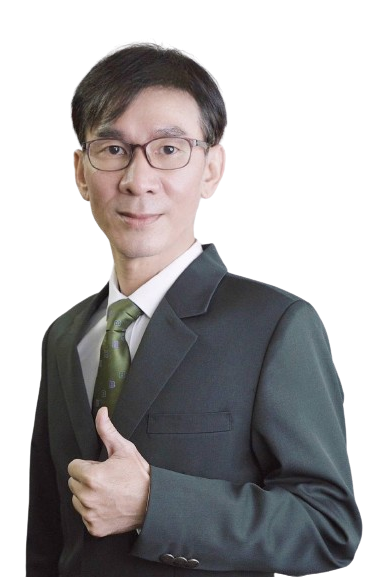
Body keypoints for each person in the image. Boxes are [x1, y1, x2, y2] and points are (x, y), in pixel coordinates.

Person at [26, 40, 362, 576]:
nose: (137, 180)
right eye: (112, 149)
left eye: (168, 148)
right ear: (80, 172)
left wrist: (153, 504)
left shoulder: (276, 325)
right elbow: (47, 536)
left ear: (212, 169)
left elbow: (327, 527)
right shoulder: (64, 335)